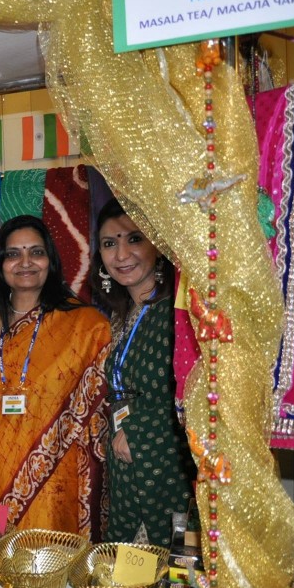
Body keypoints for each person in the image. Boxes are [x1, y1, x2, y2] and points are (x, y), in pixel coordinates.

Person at [0, 215, 110, 539]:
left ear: (51, 260)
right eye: (13, 254)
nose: (25, 263)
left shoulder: (86, 325)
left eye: (36, 252)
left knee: (52, 563)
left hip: (57, 482)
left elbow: (100, 413)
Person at [94, 199, 196, 546]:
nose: (121, 254)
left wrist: (138, 429)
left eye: (134, 239)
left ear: (158, 245)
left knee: (173, 564)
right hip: (127, 469)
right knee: (127, 568)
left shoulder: (179, 312)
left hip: (167, 468)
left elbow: (192, 391)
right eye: (109, 243)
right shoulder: (120, 317)